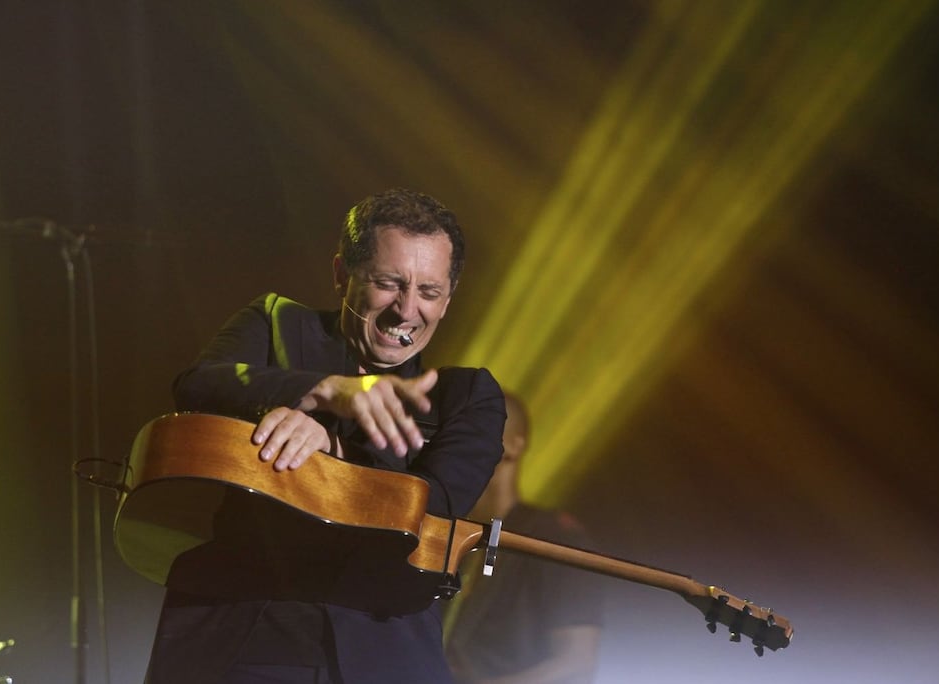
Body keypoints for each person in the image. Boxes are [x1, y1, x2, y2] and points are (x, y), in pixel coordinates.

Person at [145, 188, 506, 683]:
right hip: (244, 640)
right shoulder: (274, 323)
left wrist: (332, 450)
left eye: (429, 292)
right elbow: (198, 386)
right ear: (342, 276)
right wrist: (322, 391)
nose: (406, 310)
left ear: (448, 300)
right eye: (388, 283)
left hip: (382, 653)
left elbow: (434, 507)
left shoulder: (466, 395)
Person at [445, 394, 603, 684]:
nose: (459, 440)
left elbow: (577, 664)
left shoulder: (554, 537)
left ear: (514, 445)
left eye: (475, 427)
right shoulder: (454, 537)